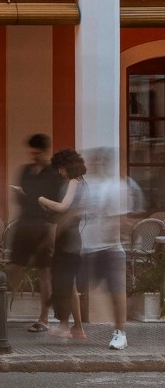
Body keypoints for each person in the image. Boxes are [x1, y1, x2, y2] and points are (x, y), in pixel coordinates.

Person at [8, 133, 62, 332]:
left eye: (37, 152)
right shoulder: (25, 171)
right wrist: (21, 196)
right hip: (24, 224)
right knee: (13, 268)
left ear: (45, 151)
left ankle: (44, 319)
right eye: (32, 152)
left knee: (43, 274)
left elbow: (56, 205)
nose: (34, 155)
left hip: (43, 226)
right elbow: (22, 200)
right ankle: (3, 311)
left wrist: (51, 232)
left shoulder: (54, 175)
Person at [79, 147, 129, 350]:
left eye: (98, 160)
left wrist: (109, 238)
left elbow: (119, 220)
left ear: (106, 163)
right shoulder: (89, 186)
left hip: (109, 249)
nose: (94, 163)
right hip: (89, 248)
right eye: (92, 160)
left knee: (115, 291)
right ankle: (71, 326)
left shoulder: (116, 187)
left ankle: (120, 332)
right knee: (73, 285)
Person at [38, 148, 88, 341]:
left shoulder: (74, 182)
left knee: (62, 282)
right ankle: (78, 327)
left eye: (60, 167)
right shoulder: (82, 183)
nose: (59, 172)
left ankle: (64, 326)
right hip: (72, 237)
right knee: (71, 284)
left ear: (67, 166)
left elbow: (63, 206)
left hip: (67, 238)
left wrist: (42, 199)